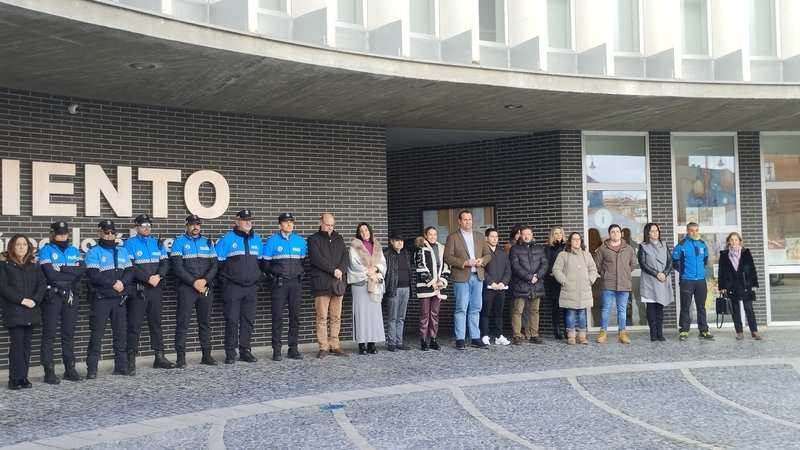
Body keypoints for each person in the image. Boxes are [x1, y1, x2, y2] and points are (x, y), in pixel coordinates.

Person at [123, 214, 175, 374]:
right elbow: (130, 267)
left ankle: (159, 357)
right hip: (139, 290)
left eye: (149, 225)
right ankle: (130, 360)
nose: (147, 227)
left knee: (156, 324)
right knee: (134, 326)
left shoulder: (157, 243)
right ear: (136, 227)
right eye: (144, 224)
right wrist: (147, 278)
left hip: (155, 289)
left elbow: (165, 263)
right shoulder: (129, 244)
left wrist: (158, 276)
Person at [85, 220, 134, 378]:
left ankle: (121, 366)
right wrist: (114, 283)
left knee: (120, 334)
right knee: (96, 334)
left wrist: (122, 283)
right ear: (99, 233)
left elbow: (130, 272)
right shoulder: (93, 251)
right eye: (107, 232)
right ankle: (92, 369)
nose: (110, 235)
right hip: (101, 298)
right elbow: (94, 275)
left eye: (113, 232)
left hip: (119, 298)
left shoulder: (122, 251)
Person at [38, 222, 86, 383]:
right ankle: (48, 372)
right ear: (53, 234)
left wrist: (63, 269)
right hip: (53, 295)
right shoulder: (45, 250)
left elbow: (81, 270)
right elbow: (50, 274)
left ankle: (69, 369)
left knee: (68, 333)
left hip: (70, 294)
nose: (63, 236)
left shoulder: (73, 250)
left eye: (65, 233)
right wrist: (71, 272)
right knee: (49, 334)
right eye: (59, 234)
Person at [171, 214, 219, 367]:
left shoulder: (208, 242)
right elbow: (177, 268)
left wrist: (204, 281)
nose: (195, 227)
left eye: (197, 224)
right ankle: (181, 357)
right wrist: (194, 282)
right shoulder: (179, 242)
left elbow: (214, 265)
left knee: (204, 323)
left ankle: (206, 355)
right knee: (182, 322)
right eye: (191, 224)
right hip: (187, 287)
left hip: (205, 286)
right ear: (186, 226)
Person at [216, 209, 263, 364]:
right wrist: (225, 282)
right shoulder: (227, 239)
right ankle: (230, 353)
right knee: (231, 320)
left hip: (251, 288)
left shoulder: (256, 238)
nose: (248, 222)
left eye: (249, 219)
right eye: (244, 220)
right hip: (233, 287)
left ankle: (245, 351)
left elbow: (260, 262)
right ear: (237, 222)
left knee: (247, 320)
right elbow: (218, 263)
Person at [0, 234, 46, 389]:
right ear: (12, 246)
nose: (21, 247)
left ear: (28, 247)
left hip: (30, 310)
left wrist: (35, 299)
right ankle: (14, 379)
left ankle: (23, 377)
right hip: (15, 310)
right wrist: (22, 300)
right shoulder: (4, 264)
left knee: (26, 345)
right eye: (18, 244)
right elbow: (3, 286)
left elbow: (41, 283)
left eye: (24, 244)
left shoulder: (33, 264)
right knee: (17, 345)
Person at [444, 210, 492, 350]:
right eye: (464, 219)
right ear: (459, 221)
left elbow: (488, 254)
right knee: (461, 309)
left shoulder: (479, 236)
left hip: (478, 276)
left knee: (476, 308)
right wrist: (465, 262)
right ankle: (460, 339)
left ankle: (475, 338)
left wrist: (482, 260)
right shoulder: (453, 237)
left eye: (469, 219)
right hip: (461, 277)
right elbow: (448, 257)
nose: (467, 222)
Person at [260, 212, 305, 361]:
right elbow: (265, 264)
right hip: (279, 284)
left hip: (295, 283)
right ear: (279, 225)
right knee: (278, 317)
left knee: (295, 317)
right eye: (286, 222)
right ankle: (277, 350)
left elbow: (302, 262)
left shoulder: (300, 241)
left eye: (291, 222)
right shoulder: (271, 241)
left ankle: (293, 349)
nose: (289, 224)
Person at [308, 213, 350, 359]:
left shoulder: (339, 239)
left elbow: (346, 256)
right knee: (321, 317)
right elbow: (316, 258)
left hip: (337, 284)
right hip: (322, 283)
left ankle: (334, 345)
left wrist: (340, 271)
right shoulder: (313, 239)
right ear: (320, 222)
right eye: (327, 225)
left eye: (332, 225)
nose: (329, 228)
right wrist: (334, 270)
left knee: (336, 317)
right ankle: (323, 346)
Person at [593, 224, 637, 344]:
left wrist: (625, 272)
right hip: (608, 283)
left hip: (624, 283)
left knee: (622, 309)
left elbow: (633, 263)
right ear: (609, 234)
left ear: (621, 233)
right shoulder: (603, 248)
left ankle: (622, 333)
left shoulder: (628, 248)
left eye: (617, 232)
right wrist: (605, 273)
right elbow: (597, 263)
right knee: (606, 309)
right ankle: (603, 333)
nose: (615, 234)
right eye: (613, 232)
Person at [553, 232, 598, 345]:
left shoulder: (586, 255)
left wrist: (590, 280)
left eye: (579, 239)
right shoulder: (563, 255)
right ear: (570, 241)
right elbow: (556, 270)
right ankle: (571, 336)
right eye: (574, 239)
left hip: (583, 289)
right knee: (570, 312)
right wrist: (564, 281)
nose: (577, 241)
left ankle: (582, 336)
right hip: (569, 289)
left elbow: (593, 269)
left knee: (582, 312)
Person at [348, 223, 387, 355]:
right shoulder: (354, 246)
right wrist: (370, 273)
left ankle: (372, 343)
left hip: (374, 283)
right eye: (361, 231)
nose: (364, 232)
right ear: (358, 233)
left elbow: (382, 262)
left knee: (374, 315)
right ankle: (361, 345)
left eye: (366, 230)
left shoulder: (377, 246)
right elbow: (354, 264)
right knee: (361, 314)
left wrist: (375, 270)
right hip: (360, 283)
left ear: (370, 231)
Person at [672, 222, 714, 341]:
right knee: (685, 306)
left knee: (701, 306)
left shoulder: (702, 244)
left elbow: (705, 260)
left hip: (700, 280)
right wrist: (685, 272)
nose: (694, 233)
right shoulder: (681, 245)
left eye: (696, 230)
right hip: (687, 280)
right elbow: (675, 262)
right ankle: (684, 330)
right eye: (692, 230)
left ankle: (704, 331)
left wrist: (699, 272)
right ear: (687, 231)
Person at [718, 232, 762, 340]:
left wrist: (754, 284)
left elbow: (752, 269)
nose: (734, 242)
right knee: (735, 310)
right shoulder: (724, 255)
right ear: (728, 241)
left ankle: (754, 331)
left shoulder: (746, 253)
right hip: (731, 285)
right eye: (731, 240)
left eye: (736, 240)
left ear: (739, 241)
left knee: (749, 309)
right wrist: (722, 286)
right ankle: (739, 332)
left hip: (746, 284)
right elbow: (721, 272)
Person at [509, 226, 548, 345]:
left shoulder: (539, 248)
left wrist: (537, 276)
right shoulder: (515, 249)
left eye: (528, 234)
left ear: (532, 234)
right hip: (521, 283)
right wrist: (528, 276)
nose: (526, 237)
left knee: (534, 311)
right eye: (524, 234)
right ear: (520, 235)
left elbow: (544, 264)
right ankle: (517, 335)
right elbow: (515, 266)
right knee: (518, 310)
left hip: (536, 283)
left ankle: (534, 334)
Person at [415, 227, 450, 351]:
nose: (433, 237)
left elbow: (446, 266)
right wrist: (431, 282)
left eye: (435, 234)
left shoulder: (441, 248)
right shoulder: (421, 250)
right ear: (425, 235)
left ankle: (433, 340)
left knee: (434, 314)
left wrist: (441, 281)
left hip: (438, 288)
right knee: (425, 314)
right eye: (430, 234)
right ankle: (423, 340)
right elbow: (420, 267)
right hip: (426, 288)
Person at [638, 223, 673, 342]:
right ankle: (653, 333)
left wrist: (664, 273)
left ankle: (660, 333)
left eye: (656, 230)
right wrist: (656, 273)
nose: (655, 233)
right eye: (652, 231)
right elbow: (643, 264)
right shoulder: (643, 246)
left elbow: (670, 261)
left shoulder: (664, 244)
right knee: (651, 308)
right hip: (650, 281)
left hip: (662, 280)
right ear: (647, 233)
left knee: (660, 308)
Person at [383, 230, 413, 352]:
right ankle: (391, 343)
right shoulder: (386, 253)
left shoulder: (406, 253)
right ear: (391, 241)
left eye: (401, 241)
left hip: (406, 288)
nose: (400, 243)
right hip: (393, 288)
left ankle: (399, 341)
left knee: (401, 317)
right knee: (392, 317)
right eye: (397, 240)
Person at [480, 228, 511, 346]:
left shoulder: (502, 253)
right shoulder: (483, 253)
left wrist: (503, 282)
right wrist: (491, 283)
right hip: (488, 287)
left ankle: (499, 335)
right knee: (485, 312)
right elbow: (481, 269)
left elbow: (508, 270)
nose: (495, 239)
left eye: (496, 237)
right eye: (492, 236)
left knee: (499, 313)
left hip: (501, 288)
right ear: (486, 238)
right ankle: (485, 335)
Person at [544, 226, 567, 340]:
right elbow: (546, 263)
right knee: (556, 305)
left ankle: (567, 329)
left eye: (560, 233)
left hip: (566, 280)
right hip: (554, 279)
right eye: (556, 233)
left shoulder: (566, 247)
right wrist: (551, 272)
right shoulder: (548, 247)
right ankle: (556, 329)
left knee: (567, 305)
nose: (558, 235)